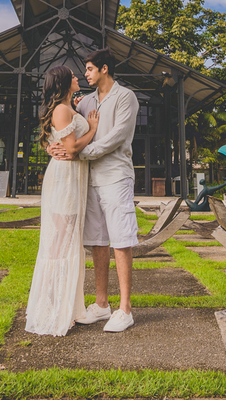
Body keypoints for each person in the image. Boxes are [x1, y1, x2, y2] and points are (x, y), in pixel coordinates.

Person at [49, 47, 140, 333]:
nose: (85, 73)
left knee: (121, 239)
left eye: (89, 69)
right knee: (97, 241)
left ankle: (125, 309)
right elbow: (67, 132)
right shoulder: (84, 102)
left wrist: (79, 154)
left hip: (116, 176)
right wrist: (54, 147)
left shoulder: (126, 97)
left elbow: (116, 137)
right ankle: (102, 305)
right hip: (88, 180)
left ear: (103, 69)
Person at [24, 64, 99, 336]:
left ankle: (65, 306)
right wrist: (91, 127)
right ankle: (55, 309)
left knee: (67, 242)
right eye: (74, 76)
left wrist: (78, 114)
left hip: (71, 176)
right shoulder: (61, 110)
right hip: (66, 179)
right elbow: (71, 148)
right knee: (61, 244)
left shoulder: (67, 108)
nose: (78, 77)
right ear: (65, 82)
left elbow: (56, 140)